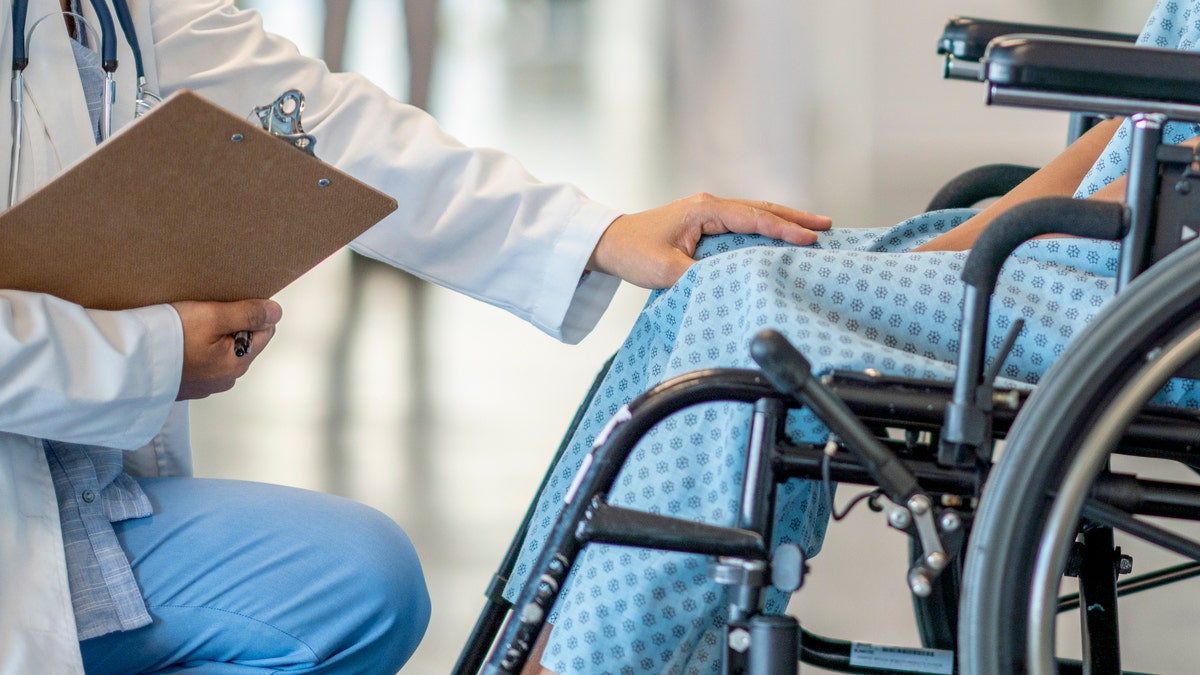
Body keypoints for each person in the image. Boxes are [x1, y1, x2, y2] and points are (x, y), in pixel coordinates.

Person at [0, 0, 835, 673]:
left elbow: (315, 120)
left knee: (362, 580)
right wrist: (148, 355)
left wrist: (595, 231)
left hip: (73, 495)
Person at [507, 1, 1200, 673]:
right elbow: (1128, 122)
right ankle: (532, 631)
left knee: (753, 298)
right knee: (717, 257)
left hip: (1140, 295)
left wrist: (1016, 243)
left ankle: (595, 661)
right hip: (1092, 256)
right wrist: (956, 247)